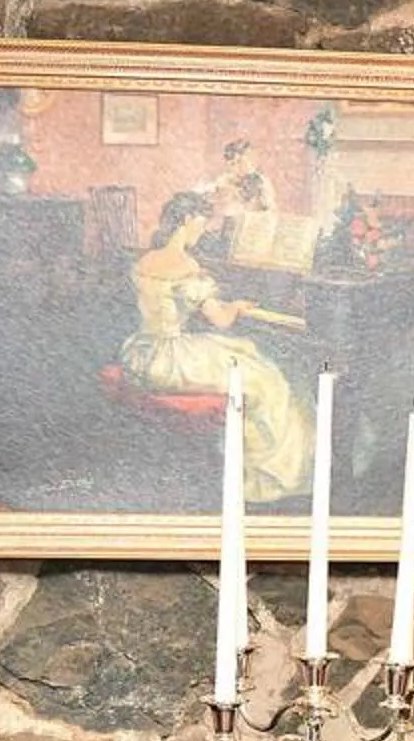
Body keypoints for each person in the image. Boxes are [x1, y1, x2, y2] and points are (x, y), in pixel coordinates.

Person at [117, 188, 311, 504]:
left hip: (141, 353)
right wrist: (238, 306)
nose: (203, 231)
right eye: (201, 224)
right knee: (267, 377)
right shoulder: (185, 265)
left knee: (248, 358)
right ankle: (272, 473)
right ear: (188, 220)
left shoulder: (145, 260)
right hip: (173, 359)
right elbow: (221, 320)